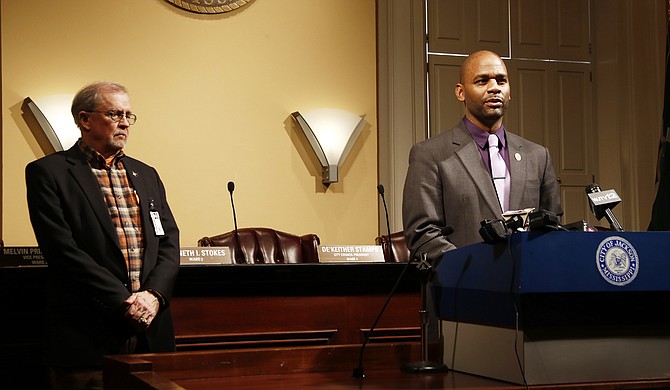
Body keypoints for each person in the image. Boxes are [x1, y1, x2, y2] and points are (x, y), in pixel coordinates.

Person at [25, 81, 180, 390]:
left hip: (151, 334)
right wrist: (123, 302)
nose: (124, 122)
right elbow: (62, 251)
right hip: (88, 336)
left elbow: (168, 242)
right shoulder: (49, 172)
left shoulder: (145, 173)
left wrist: (153, 296)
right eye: (114, 113)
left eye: (128, 115)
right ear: (85, 119)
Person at [402, 50, 562, 261]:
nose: (494, 87)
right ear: (461, 92)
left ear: (509, 91)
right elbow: (422, 233)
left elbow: (553, 225)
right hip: (464, 287)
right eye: (482, 81)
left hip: (527, 286)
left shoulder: (538, 155)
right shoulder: (430, 154)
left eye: (501, 81)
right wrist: (475, 270)